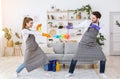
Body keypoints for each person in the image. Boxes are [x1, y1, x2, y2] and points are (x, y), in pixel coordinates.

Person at [65, 11, 107, 78]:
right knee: (75, 58)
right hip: (83, 43)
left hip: (92, 44)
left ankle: (102, 73)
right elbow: (78, 26)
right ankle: (70, 72)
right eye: (91, 17)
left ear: (98, 19)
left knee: (103, 58)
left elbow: (104, 34)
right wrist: (70, 27)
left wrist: (97, 27)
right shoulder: (87, 22)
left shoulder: (101, 25)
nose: (91, 19)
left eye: (93, 18)